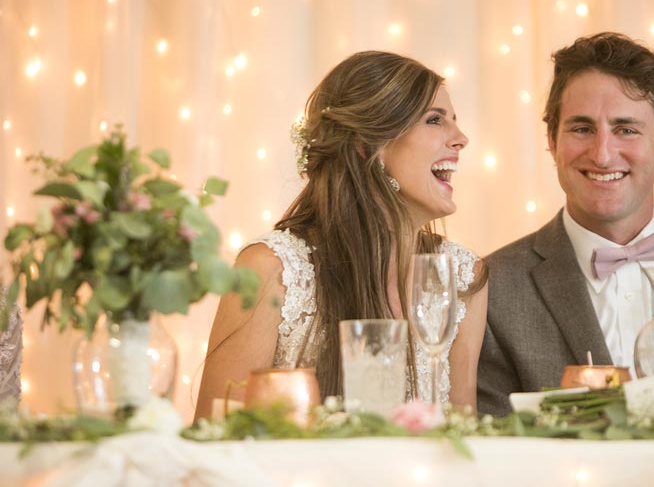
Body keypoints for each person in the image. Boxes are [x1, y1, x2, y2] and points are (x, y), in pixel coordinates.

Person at [477, 32, 654, 417]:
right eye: (581, 129)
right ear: (552, 140)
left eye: (626, 130)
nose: (601, 154)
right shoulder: (492, 290)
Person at [195, 51, 488, 419]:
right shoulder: (269, 270)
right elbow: (215, 440)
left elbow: (463, 438)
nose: (461, 139)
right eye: (434, 120)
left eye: (454, 122)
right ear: (369, 146)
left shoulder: (461, 275)